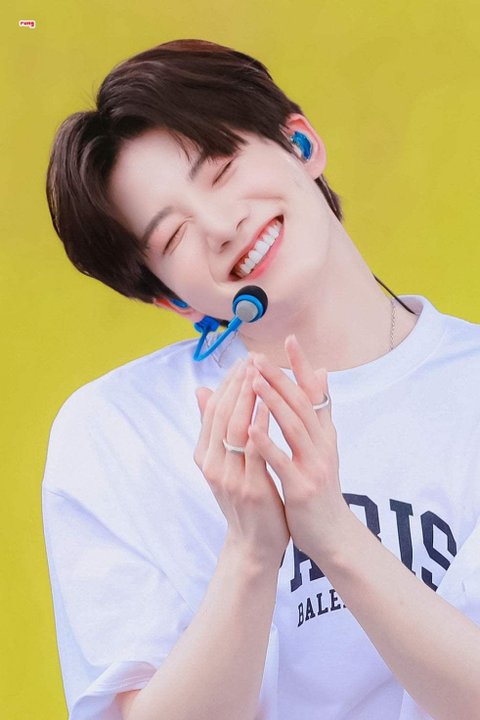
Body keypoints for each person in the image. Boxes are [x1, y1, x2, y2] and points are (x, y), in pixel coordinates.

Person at [42, 38, 480, 720]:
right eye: (172, 236)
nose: (222, 226)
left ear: (301, 144)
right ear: (171, 298)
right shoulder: (118, 432)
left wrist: (332, 535)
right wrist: (251, 553)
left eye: (221, 170)